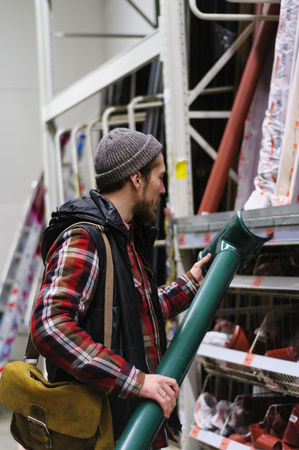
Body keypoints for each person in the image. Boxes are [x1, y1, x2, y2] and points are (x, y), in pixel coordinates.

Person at [31, 127, 211, 449]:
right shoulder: (86, 238)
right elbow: (49, 325)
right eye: (159, 177)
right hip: (103, 430)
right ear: (136, 179)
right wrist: (137, 381)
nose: (163, 188)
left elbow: (132, 309)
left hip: (131, 422)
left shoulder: (123, 237)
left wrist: (193, 282)